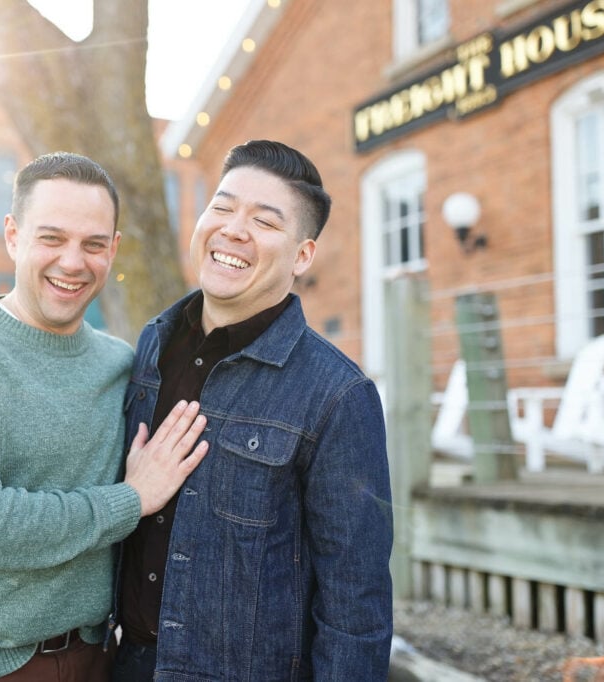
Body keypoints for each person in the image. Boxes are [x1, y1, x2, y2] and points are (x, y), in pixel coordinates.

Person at [0, 151, 210, 682]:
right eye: (52, 238)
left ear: (113, 250)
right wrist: (129, 500)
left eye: (92, 244)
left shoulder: (121, 364)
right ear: (14, 235)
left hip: (93, 658)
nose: (72, 262)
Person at [111, 140, 394, 680]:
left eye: (265, 222)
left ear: (303, 255)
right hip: (127, 665)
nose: (233, 230)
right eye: (222, 207)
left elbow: (355, 603)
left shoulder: (337, 394)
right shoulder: (153, 344)